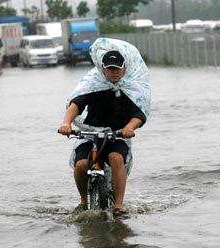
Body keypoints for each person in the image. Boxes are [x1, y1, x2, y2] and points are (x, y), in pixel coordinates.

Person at [58, 38, 151, 217]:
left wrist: (130, 127)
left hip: (117, 136)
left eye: (117, 68)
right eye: (110, 68)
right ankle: (84, 200)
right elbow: (76, 103)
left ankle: (118, 205)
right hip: (91, 134)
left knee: (116, 158)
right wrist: (66, 123)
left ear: (125, 67)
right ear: (102, 69)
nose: (114, 72)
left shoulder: (132, 88)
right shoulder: (93, 85)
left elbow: (139, 114)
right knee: (81, 165)